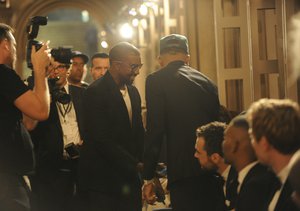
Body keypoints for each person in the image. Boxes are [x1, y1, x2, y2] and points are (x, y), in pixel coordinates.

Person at [142, 34, 220, 211]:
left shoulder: (156, 81)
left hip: (181, 171)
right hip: (211, 170)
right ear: (188, 58)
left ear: (160, 59)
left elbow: (155, 129)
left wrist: (148, 176)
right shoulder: (208, 83)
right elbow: (216, 128)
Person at [78, 42, 145, 211]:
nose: (137, 71)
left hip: (130, 180)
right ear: (116, 65)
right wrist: (135, 164)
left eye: (139, 66)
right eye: (133, 66)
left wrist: (146, 163)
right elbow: (101, 139)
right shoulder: (95, 92)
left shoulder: (133, 92)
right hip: (104, 181)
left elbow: (138, 132)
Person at [0, 23, 50, 211]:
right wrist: (39, 70)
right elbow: (41, 112)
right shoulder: (3, 74)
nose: (14, 51)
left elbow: (29, 122)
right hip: (5, 177)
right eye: (13, 45)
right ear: (5, 44)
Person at [28, 58, 86, 211]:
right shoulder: (40, 97)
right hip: (50, 171)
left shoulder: (83, 94)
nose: (55, 71)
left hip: (80, 168)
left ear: (68, 69)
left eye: (59, 67)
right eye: (50, 68)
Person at [247, 98, 300, 211]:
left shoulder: (296, 186)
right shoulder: (276, 180)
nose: (251, 144)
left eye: (252, 137)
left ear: (264, 143)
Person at [223, 115, 278, 211]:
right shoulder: (248, 178)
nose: (222, 144)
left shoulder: (255, 186)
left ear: (234, 145)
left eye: (225, 138)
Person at [195, 121, 238, 210]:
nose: (195, 155)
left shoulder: (240, 182)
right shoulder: (221, 178)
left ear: (215, 158)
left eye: (198, 152)